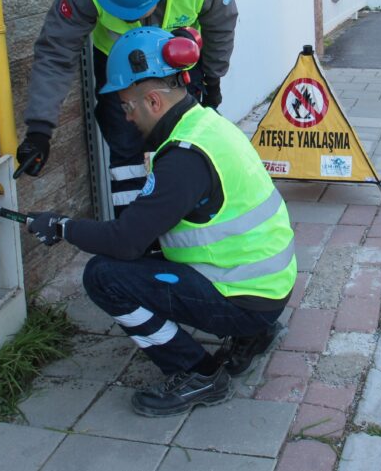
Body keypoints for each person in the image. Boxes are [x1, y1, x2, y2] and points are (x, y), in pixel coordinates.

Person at [26, 26, 295, 417]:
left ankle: (198, 373)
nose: (126, 117)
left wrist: (63, 227)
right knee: (144, 253)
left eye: (127, 106)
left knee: (103, 275)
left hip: (247, 297)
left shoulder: (183, 158)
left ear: (152, 100)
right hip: (267, 285)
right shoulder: (206, 124)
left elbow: (124, 241)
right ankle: (252, 334)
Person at [15, 0, 238, 217]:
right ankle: (134, 236)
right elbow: (56, 49)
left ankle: (184, 224)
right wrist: (39, 130)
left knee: (182, 142)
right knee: (125, 149)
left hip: (177, 58)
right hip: (118, 70)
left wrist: (212, 82)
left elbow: (221, 26)